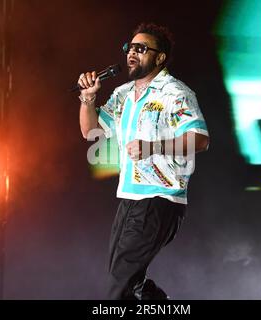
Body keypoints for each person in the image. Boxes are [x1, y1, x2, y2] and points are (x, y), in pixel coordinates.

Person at [78, 22, 209, 300]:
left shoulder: (175, 93)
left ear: (159, 57)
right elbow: (91, 132)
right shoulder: (123, 94)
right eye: (130, 47)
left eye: (141, 48)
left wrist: (153, 146)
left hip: (160, 198)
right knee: (126, 279)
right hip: (129, 198)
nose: (131, 53)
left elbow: (200, 139)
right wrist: (88, 100)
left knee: (119, 286)